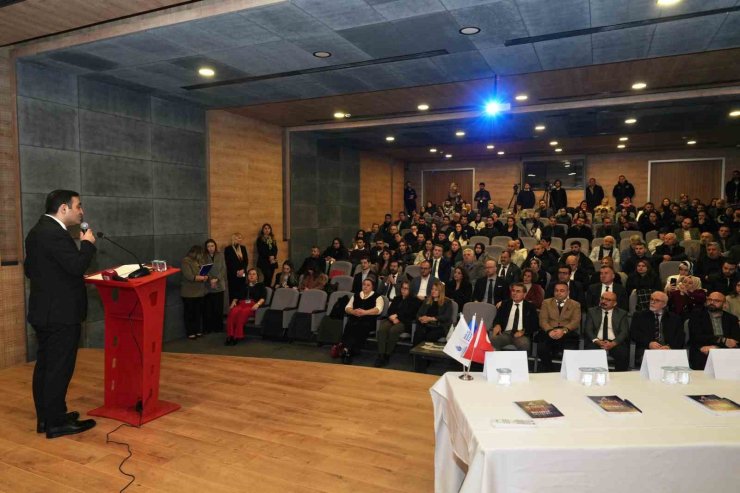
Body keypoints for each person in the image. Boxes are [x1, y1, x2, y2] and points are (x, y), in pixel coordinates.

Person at [24, 189, 97, 439]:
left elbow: (32, 270)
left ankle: (48, 417)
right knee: (58, 368)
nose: (82, 211)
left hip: (45, 311)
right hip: (60, 314)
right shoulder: (55, 234)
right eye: (78, 206)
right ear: (63, 208)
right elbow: (76, 265)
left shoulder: (37, 231)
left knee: (46, 366)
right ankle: (56, 423)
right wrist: (87, 244)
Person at [375, 281, 421, 367]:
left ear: (410, 290)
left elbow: (411, 314)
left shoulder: (415, 301)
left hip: (405, 322)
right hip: (392, 319)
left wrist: (398, 316)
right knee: (382, 329)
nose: (403, 290)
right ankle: (381, 355)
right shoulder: (397, 298)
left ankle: (387, 355)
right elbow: (390, 311)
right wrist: (392, 317)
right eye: (402, 288)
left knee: (393, 330)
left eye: (406, 288)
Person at [688, 292, 740, 369]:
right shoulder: (697, 316)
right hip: (702, 348)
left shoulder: (731, 319)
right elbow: (696, 337)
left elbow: (735, 339)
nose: (712, 302)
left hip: (725, 350)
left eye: (717, 301)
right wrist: (722, 340)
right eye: (710, 300)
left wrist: (717, 348)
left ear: (724, 304)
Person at [630, 291, 685, 364]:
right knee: (653, 361)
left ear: (664, 304)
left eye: (657, 300)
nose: (652, 302)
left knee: (674, 362)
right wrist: (649, 343)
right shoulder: (639, 316)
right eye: (651, 299)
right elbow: (634, 334)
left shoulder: (674, 318)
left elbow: (680, 336)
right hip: (647, 348)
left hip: (668, 350)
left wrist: (669, 347)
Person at [537, 283, 581, 372]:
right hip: (549, 331)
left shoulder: (575, 304)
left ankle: (568, 372)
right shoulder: (546, 302)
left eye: (562, 291)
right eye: (556, 290)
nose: (558, 293)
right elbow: (543, 320)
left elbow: (575, 321)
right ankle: (550, 370)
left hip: (567, 333)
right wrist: (549, 330)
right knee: (542, 348)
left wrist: (563, 330)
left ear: (568, 292)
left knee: (571, 349)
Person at [583, 291, 630, 371]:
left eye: (608, 300)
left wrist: (613, 343)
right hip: (596, 341)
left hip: (614, 342)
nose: (604, 301)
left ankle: (621, 378)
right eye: (602, 298)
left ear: (614, 303)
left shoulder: (622, 313)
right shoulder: (592, 311)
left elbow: (624, 332)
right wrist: (597, 341)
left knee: (623, 354)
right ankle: (591, 376)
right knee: (590, 351)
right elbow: (588, 329)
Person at [340, 279, 384, 364]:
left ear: (372, 287)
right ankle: (348, 350)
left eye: (368, 285)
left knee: (359, 326)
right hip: (355, 318)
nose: (365, 286)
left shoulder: (378, 297)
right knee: (350, 325)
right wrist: (353, 311)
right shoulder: (356, 295)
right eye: (364, 284)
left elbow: (378, 310)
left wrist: (365, 312)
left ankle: (347, 350)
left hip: (369, 320)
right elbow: (347, 308)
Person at [224, 268, 266, 346]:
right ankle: (230, 335)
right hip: (241, 304)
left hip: (252, 305)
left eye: (254, 274)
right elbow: (237, 295)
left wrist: (258, 304)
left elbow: (263, 297)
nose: (251, 276)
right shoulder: (244, 285)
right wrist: (234, 301)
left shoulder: (260, 285)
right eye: (250, 274)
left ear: (257, 276)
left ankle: (237, 336)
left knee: (242, 314)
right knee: (233, 312)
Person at [491, 283, 538, 351]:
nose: (514, 293)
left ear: (524, 294)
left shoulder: (530, 307)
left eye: (518, 291)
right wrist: (497, 325)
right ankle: (495, 361)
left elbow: (535, 325)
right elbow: (497, 319)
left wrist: (523, 332)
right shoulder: (505, 304)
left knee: (524, 344)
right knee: (492, 340)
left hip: (522, 335)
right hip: (506, 334)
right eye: (513, 291)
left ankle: (520, 362)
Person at [414, 280, 453, 345]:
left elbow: (446, 317)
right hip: (426, 324)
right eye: (432, 289)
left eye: (436, 290)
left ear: (441, 291)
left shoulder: (447, 302)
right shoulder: (427, 300)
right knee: (418, 333)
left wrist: (431, 318)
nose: (433, 291)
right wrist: (421, 318)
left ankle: (425, 354)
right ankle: (415, 354)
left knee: (429, 336)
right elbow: (418, 314)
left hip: (439, 326)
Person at [181, 245, 208, 339]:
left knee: (198, 313)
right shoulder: (186, 261)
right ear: (194, 253)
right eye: (199, 254)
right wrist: (201, 278)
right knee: (190, 313)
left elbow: (204, 272)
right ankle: (190, 332)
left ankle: (197, 330)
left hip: (199, 292)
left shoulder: (199, 261)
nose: (201, 256)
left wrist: (206, 276)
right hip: (189, 293)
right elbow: (189, 276)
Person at [203, 239, 226, 333]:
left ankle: (218, 327)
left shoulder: (220, 255)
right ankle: (209, 327)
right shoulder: (203, 257)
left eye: (212, 246)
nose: (210, 248)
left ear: (215, 246)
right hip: (208, 286)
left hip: (219, 284)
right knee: (209, 308)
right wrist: (210, 279)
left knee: (219, 308)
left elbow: (223, 269)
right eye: (208, 246)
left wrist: (217, 279)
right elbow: (203, 270)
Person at [224, 232, 248, 303]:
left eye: (241, 238)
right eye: (238, 238)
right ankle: (233, 310)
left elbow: (246, 261)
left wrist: (243, 270)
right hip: (233, 274)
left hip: (242, 273)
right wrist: (236, 272)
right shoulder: (228, 249)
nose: (240, 239)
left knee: (242, 292)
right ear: (234, 239)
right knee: (233, 293)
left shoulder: (243, 248)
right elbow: (228, 263)